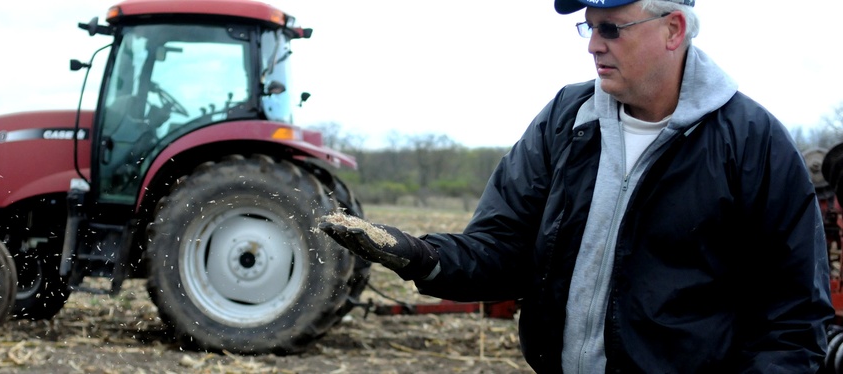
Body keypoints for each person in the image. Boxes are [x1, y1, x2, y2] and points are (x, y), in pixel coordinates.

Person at [318, 0, 835, 372]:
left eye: (610, 28)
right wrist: (422, 257)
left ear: (673, 28)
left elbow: (793, 319)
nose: (593, 45)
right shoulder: (567, 120)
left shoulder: (752, 145)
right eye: (587, 27)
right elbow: (504, 247)